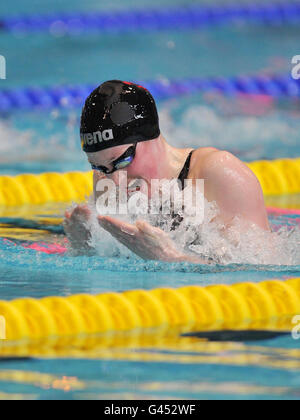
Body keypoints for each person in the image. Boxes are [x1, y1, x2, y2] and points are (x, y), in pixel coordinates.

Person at [64, 80, 270, 263]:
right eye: (99, 167)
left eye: (123, 160)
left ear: (151, 136)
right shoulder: (105, 177)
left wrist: (170, 259)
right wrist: (84, 247)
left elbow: (260, 279)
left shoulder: (218, 173)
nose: (115, 181)